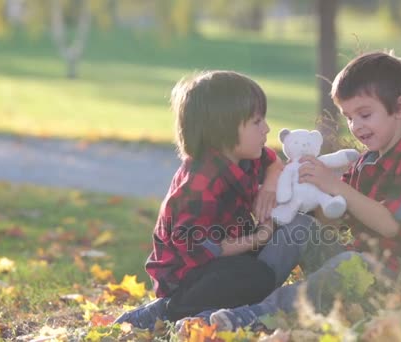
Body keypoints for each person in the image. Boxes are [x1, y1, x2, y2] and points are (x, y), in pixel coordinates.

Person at [192, 51, 401, 331]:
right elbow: (336, 221)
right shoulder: (367, 160)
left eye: (364, 114)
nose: (356, 126)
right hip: (350, 267)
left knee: (352, 261)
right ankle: (240, 297)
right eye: (349, 117)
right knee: (300, 226)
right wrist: (306, 196)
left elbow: (390, 225)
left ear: (400, 108)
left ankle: (258, 315)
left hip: (394, 281)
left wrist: (333, 184)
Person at [113, 70, 317, 330]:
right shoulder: (198, 184)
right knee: (252, 275)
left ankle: (231, 307)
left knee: (298, 226)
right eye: (257, 122)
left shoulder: (247, 155)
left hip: (233, 254)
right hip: (191, 275)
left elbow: (274, 162)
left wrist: (269, 186)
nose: (266, 128)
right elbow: (202, 248)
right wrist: (259, 238)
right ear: (225, 129)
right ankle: (168, 311)